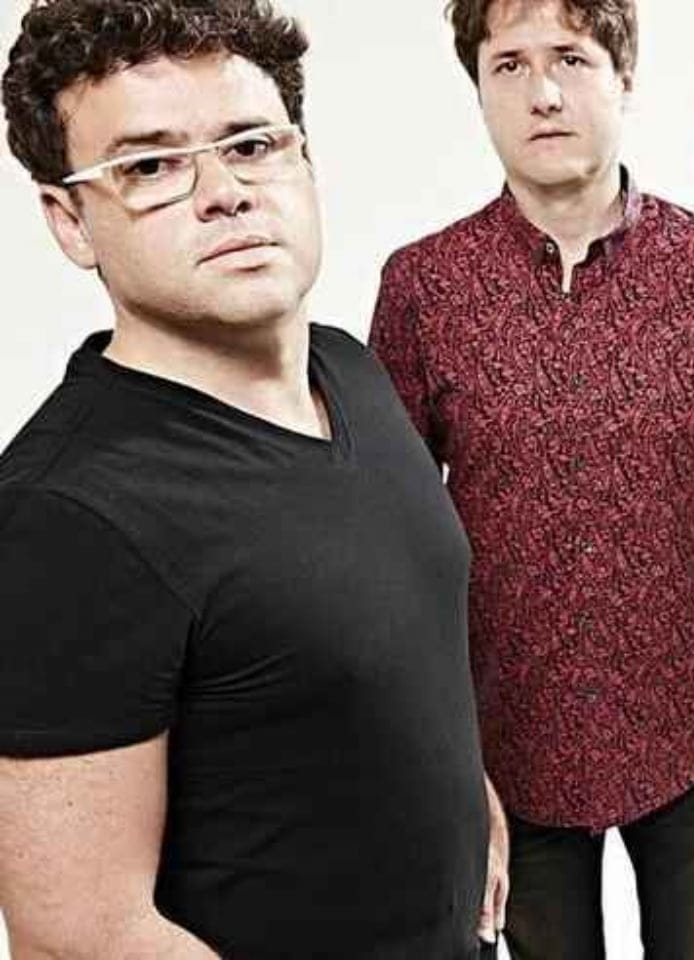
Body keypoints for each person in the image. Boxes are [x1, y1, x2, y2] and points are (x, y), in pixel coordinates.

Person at [0, 1, 500, 956]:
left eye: (250, 144)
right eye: (150, 167)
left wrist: (467, 801)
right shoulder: (64, 517)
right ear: (70, 220)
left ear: (303, 161)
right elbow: (80, 936)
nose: (224, 192)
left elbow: (372, 666)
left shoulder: (349, 368)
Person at [368, 0, 694, 955]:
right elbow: (388, 544)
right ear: (477, 88)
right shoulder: (423, 289)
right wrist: (440, 757)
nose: (542, 93)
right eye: (509, 65)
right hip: (507, 746)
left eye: (571, 59)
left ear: (623, 77)